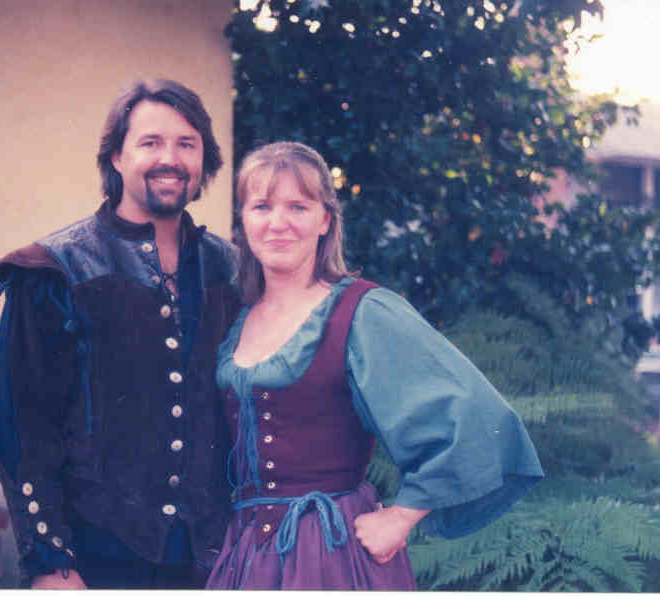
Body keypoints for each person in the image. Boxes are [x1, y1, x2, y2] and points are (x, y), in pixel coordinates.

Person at [204, 142, 545, 590]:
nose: (278, 223)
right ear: (244, 219)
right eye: (262, 206)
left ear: (325, 220)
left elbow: (476, 415)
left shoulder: (362, 311)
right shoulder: (234, 314)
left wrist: (402, 517)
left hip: (331, 552)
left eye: (298, 207)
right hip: (246, 555)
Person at [0, 79, 242, 589]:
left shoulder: (230, 269)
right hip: (96, 556)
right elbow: (21, 425)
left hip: (212, 559)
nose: (170, 158)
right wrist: (50, 562)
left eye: (186, 144)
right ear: (118, 157)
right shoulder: (54, 269)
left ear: (204, 161)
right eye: (151, 142)